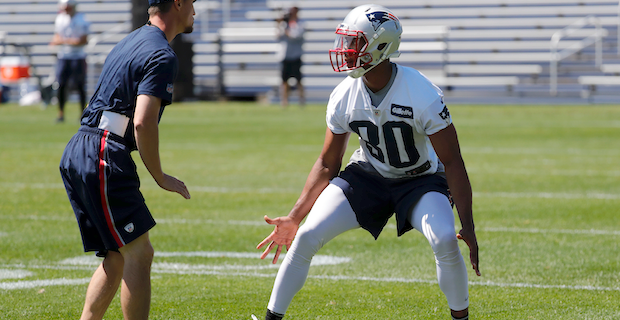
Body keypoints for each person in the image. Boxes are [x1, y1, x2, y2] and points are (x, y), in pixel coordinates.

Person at [256, 4, 480, 320]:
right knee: (306, 235)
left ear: (380, 47)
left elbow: (453, 161)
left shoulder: (421, 92)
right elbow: (327, 162)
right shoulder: (344, 94)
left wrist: (467, 226)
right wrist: (294, 216)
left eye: (354, 42)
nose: (346, 50)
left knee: (444, 239)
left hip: (420, 179)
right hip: (369, 175)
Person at [58, 0, 195, 319]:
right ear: (177, 3)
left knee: (118, 256)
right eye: (192, 1)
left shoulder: (131, 40)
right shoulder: (162, 53)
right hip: (104, 150)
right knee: (139, 252)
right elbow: (142, 121)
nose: (194, 9)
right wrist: (161, 176)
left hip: (82, 146)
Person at [50, 0, 90, 123]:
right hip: (64, 56)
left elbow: (83, 40)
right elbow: (56, 38)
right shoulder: (60, 19)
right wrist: (69, 41)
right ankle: (61, 113)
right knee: (61, 85)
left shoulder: (82, 19)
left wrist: (64, 41)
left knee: (79, 85)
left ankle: (82, 113)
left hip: (78, 56)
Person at [276, 6, 305, 107]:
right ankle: (284, 101)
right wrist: (279, 24)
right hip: (285, 55)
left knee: (299, 80)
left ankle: (301, 100)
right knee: (284, 80)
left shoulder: (299, 24)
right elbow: (278, 36)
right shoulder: (284, 25)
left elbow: (295, 36)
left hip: (296, 55)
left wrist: (286, 30)